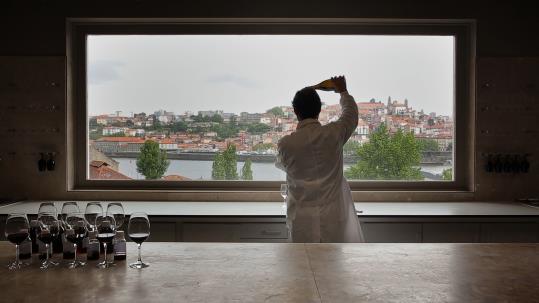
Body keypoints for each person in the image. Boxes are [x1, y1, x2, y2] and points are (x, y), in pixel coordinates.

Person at [276, 76, 364, 243]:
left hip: (301, 219)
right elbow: (351, 115)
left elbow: (283, 164)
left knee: (302, 265)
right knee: (332, 266)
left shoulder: (286, 144)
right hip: (332, 217)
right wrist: (343, 92)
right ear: (319, 110)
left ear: (295, 111)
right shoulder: (334, 134)